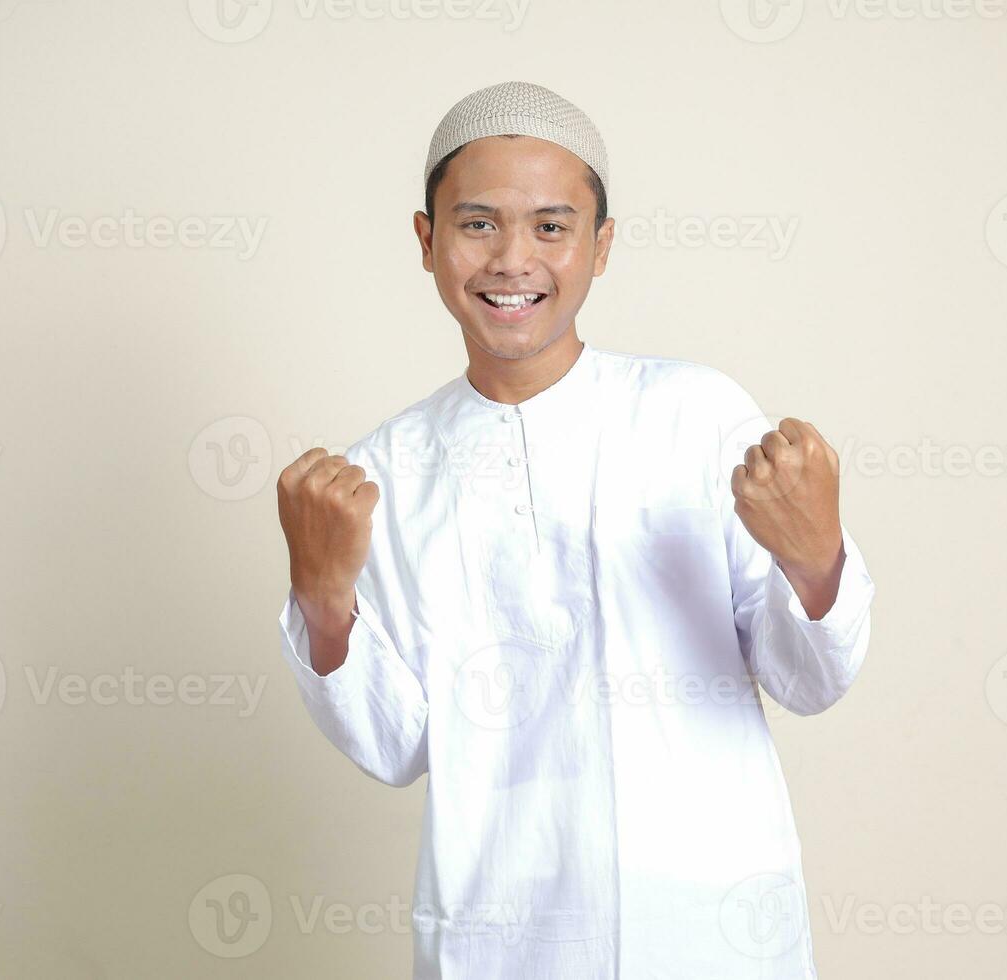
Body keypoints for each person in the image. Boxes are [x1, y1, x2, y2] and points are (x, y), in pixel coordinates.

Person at [275, 79, 874, 980]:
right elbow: (397, 748)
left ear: (600, 248)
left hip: (709, 927)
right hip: (501, 932)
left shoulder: (695, 415)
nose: (514, 259)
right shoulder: (381, 476)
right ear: (426, 240)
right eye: (478, 223)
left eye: (551, 227)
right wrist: (323, 601)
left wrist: (816, 559)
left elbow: (808, 677)